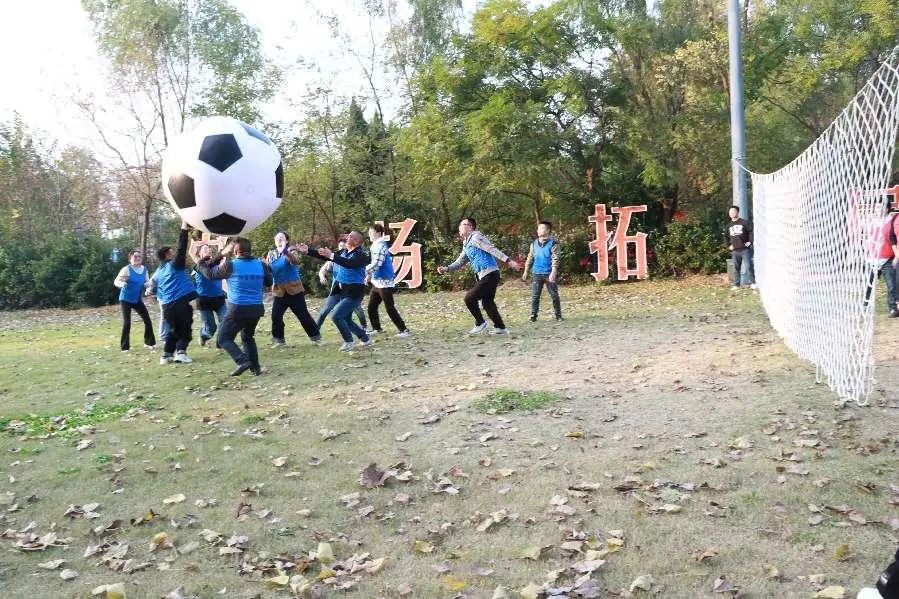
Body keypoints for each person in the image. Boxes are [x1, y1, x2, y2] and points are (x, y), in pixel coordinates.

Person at [196, 237, 272, 376]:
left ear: (236, 251)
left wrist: (201, 262)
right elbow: (269, 282)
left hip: (238, 308)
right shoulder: (261, 265)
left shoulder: (230, 265)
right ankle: (256, 369)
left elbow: (210, 274)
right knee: (248, 337)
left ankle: (242, 361)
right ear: (250, 250)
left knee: (223, 338)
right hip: (256, 308)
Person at [437, 217, 522, 334]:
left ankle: (480, 323)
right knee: (487, 303)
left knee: (469, 298)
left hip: (490, 273)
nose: (460, 226)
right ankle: (500, 328)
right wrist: (447, 268)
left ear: (470, 227)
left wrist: (509, 261)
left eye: (463, 224)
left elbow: (491, 249)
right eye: (460, 224)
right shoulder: (466, 243)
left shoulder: (476, 237)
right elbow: (460, 262)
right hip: (486, 275)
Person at [302, 232, 373, 351]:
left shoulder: (361, 255)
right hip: (342, 291)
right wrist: (308, 251)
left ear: (356, 242)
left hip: (354, 292)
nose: (347, 237)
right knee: (346, 319)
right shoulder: (344, 252)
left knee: (336, 316)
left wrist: (332, 255)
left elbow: (349, 264)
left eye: (350, 237)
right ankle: (365, 339)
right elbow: (326, 256)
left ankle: (349, 341)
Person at [265, 231, 321, 346]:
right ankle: (279, 340)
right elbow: (268, 270)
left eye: (281, 238)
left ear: (287, 240)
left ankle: (316, 338)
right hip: (279, 291)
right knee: (276, 316)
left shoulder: (292, 250)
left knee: (303, 316)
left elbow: (294, 261)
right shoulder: (271, 254)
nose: (279, 240)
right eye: (277, 239)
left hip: (294, 290)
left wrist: (285, 252)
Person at [155, 221, 199, 364]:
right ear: (167, 254)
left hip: (167, 306)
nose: (174, 253)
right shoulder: (174, 265)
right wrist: (184, 229)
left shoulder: (160, 271)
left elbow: (156, 288)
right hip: (179, 303)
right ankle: (181, 353)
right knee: (185, 329)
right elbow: (182, 248)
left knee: (174, 330)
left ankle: (166, 356)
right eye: (171, 251)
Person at [365, 223, 412, 337]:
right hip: (377, 281)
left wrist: (364, 270)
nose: (369, 235)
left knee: (389, 307)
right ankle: (377, 328)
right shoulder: (376, 244)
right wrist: (369, 276)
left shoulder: (380, 245)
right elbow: (375, 264)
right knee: (372, 306)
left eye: (371, 232)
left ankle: (404, 330)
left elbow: (377, 263)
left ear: (377, 233)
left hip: (384, 281)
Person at [316, 240, 367, 332]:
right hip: (337, 290)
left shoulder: (352, 258)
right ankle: (315, 331)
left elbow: (363, 270)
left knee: (357, 310)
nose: (342, 248)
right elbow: (322, 270)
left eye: (344, 246)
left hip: (349, 291)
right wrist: (322, 276)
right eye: (340, 246)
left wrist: (367, 277)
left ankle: (364, 328)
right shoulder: (333, 260)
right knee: (325, 310)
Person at [113, 250, 155, 351]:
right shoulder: (126, 269)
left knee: (147, 320)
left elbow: (147, 283)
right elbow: (116, 281)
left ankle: (149, 343)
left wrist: (148, 289)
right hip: (125, 299)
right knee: (127, 323)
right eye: (135, 256)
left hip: (137, 299)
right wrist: (122, 284)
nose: (137, 258)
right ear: (130, 259)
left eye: (139, 256)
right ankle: (125, 347)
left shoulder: (144, 270)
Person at [521, 220, 562, 322]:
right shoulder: (534, 244)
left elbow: (556, 258)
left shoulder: (553, 244)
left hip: (549, 273)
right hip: (536, 273)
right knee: (535, 296)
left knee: (554, 295)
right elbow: (530, 257)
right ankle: (533, 316)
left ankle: (558, 315)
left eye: (542, 228)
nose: (539, 230)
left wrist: (553, 272)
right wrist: (526, 271)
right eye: (538, 228)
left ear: (547, 231)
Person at [864, 198, 899, 316]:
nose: (879, 209)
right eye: (877, 207)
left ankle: (893, 309)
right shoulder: (870, 221)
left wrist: (896, 256)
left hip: (888, 259)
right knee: (868, 285)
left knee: (891, 286)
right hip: (872, 259)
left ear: (887, 208)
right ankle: (865, 306)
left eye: (882, 207)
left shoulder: (892, 221)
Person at [193, 243, 228, 346]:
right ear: (200, 254)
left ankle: (220, 342)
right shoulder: (199, 265)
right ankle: (203, 335)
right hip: (204, 300)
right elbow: (208, 270)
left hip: (219, 298)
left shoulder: (217, 265)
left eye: (209, 248)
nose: (208, 250)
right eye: (205, 249)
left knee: (225, 320)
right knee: (211, 328)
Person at [727, 205, 756, 290]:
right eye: (730, 212)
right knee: (736, 268)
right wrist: (728, 245)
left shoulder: (744, 222)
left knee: (749, 266)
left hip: (745, 249)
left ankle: (753, 283)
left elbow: (751, 232)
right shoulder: (728, 225)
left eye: (733, 211)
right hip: (735, 250)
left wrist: (750, 242)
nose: (732, 213)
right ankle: (736, 285)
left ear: (737, 212)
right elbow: (726, 236)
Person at [147, 268, 169, 344]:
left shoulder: (176, 268)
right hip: (163, 296)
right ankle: (163, 336)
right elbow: (153, 280)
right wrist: (149, 289)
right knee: (165, 315)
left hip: (173, 296)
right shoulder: (161, 269)